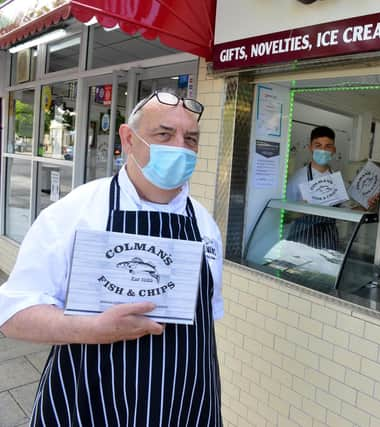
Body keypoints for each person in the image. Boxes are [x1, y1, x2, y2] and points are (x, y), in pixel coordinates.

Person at [0, 90, 223, 426]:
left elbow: (205, 325)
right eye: (163, 134)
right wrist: (90, 329)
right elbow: (13, 314)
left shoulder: (205, 226)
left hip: (185, 407)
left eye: (190, 138)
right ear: (128, 139)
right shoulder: (77, 212)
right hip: (88, 406)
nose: (179, 147)